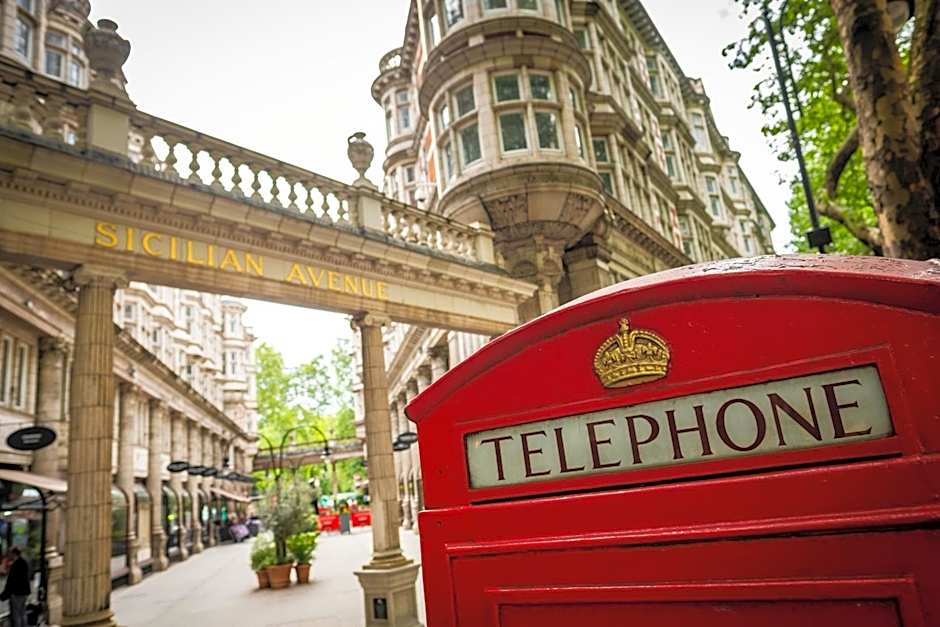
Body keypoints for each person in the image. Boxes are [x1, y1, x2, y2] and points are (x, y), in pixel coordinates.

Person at [1, 547, 30, 627]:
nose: (9, 555)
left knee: (16, 615)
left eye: (10, 553)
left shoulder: (15, 565)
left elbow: (11, 582)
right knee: (23, 613)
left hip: (16, 593)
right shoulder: (24, 562)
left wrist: (4, 595)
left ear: (14, 554)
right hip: (23, 593)